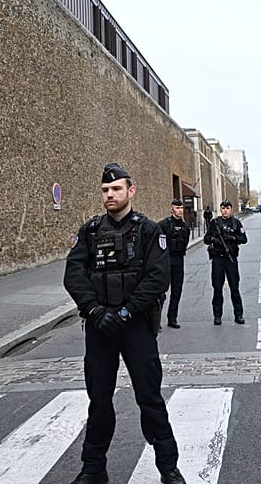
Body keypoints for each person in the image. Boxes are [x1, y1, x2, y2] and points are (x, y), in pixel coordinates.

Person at [63, 163, 185, 484]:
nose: (109, 195)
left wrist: (127, 311)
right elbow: (73, 276)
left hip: (135, 327)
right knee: (99, 401)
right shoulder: (89, 232)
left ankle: (168, 467)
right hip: (100, 327)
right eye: (105, 190)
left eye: (116, 189)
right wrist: (94, 311)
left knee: (150, 398)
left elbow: (158, 278)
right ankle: (93, 468)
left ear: (131, 191)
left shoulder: (148, 231)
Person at [204, 199, 248, 325]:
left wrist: (233, 238)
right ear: (221, 209)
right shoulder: (215, 223)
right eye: (223, 208)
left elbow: (244, 239)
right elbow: (206, 239)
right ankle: (217, 316)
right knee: (217, 288)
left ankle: (238, 315)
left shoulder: (236, 223)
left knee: (234, 288)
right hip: (218, 259)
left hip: (231, 259)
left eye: (227, 208)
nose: (225, 210)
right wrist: (214, 239)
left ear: (231, 209)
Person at [159, 198, 189, 329]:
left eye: (181, 208)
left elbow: (185, 243)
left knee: (177, 291)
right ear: (172, 209)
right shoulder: (163, 225)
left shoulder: (185, 227)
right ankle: (156, 321)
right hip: (166, 261)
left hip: (178, 260)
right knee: (160, 292)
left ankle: (172, 318)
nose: (180, 211)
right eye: (177, 208)